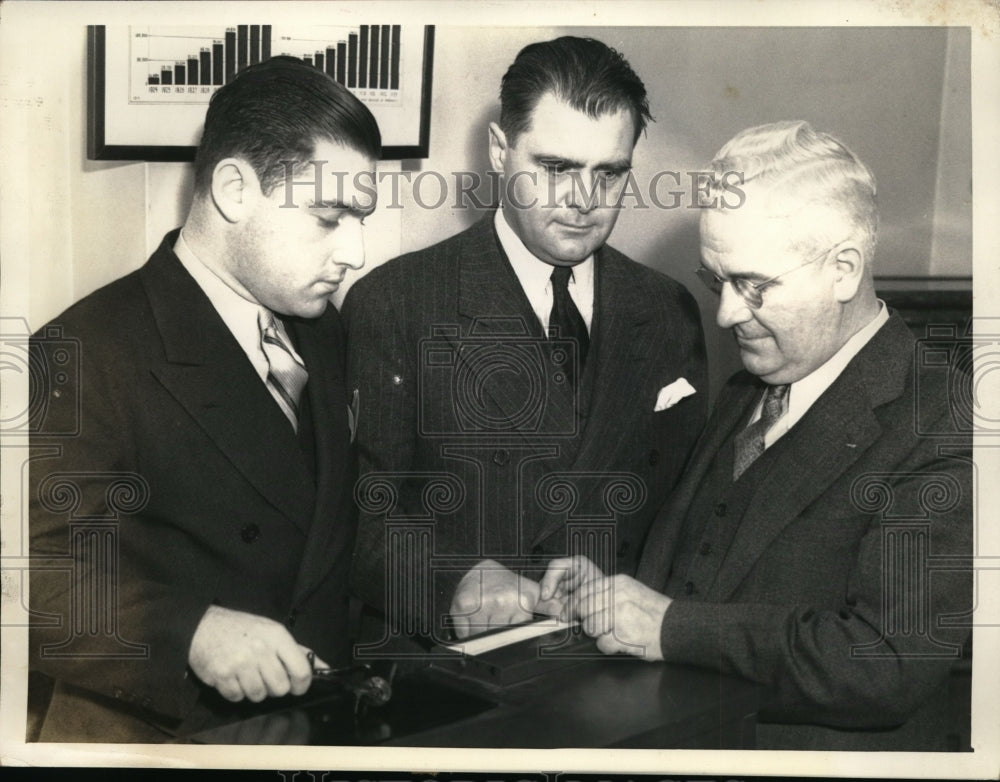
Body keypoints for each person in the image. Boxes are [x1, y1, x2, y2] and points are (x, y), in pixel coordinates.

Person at [539, 121, 973, 750]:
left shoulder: (944, 424)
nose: (725, 314)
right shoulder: (755, 383)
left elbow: (885, 665)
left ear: (845, 269)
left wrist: (670, 626)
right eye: (717, 281)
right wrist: (610, 587)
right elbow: (718, 566)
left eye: (754, 286)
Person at [29, 56, 380, 741]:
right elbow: (28, 577)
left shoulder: (323, 327)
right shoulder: (81, 351)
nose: (356, 253)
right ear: (233, 190)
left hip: (306, 726)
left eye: (360, 218)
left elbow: (330, 526)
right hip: (156, 739)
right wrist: (189, 631)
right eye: (329, 217)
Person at [343, 36, 706, 645]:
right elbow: (356, 517)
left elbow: (682, 511)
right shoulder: (396, 303)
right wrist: (451, 581)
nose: (584, 202)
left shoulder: (668, 310)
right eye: (556, 168)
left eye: (610, 174)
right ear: (498, 152)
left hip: (619, 671)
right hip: (455, 677)